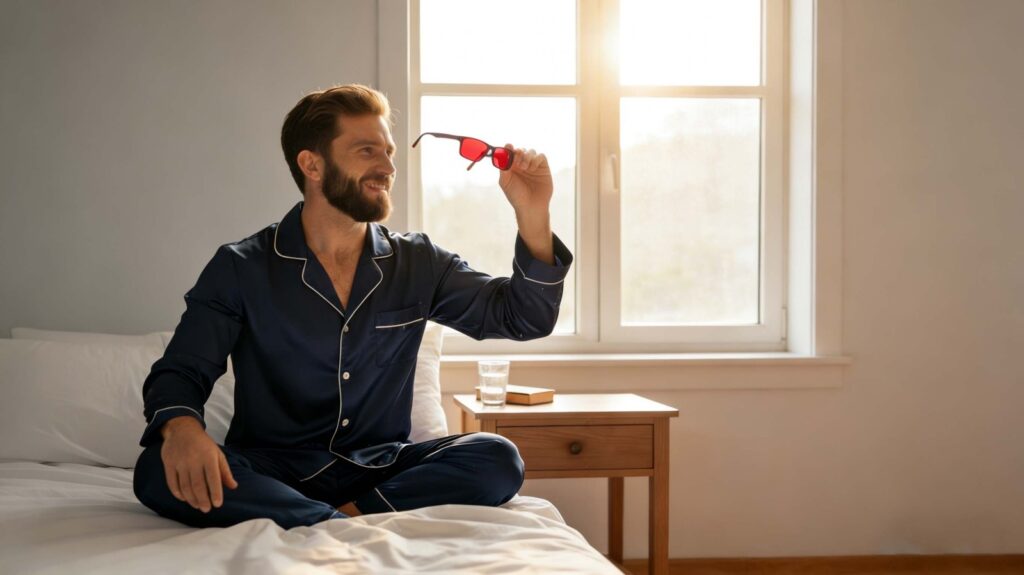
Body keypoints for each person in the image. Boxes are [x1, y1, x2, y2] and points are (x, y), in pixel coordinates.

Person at [132, 84, 573, 529]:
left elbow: (524, 317)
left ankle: (338, 519)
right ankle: (338, 522)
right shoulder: (241, 266)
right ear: (312, 164)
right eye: (367, 151)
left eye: (389, 152)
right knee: (156, 469)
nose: (387, 167)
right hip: (274, 470)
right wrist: (182, 430)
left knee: (497, 457)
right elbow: (181, 370)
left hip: (380, 469)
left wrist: (533, 215)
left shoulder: (418, 261)